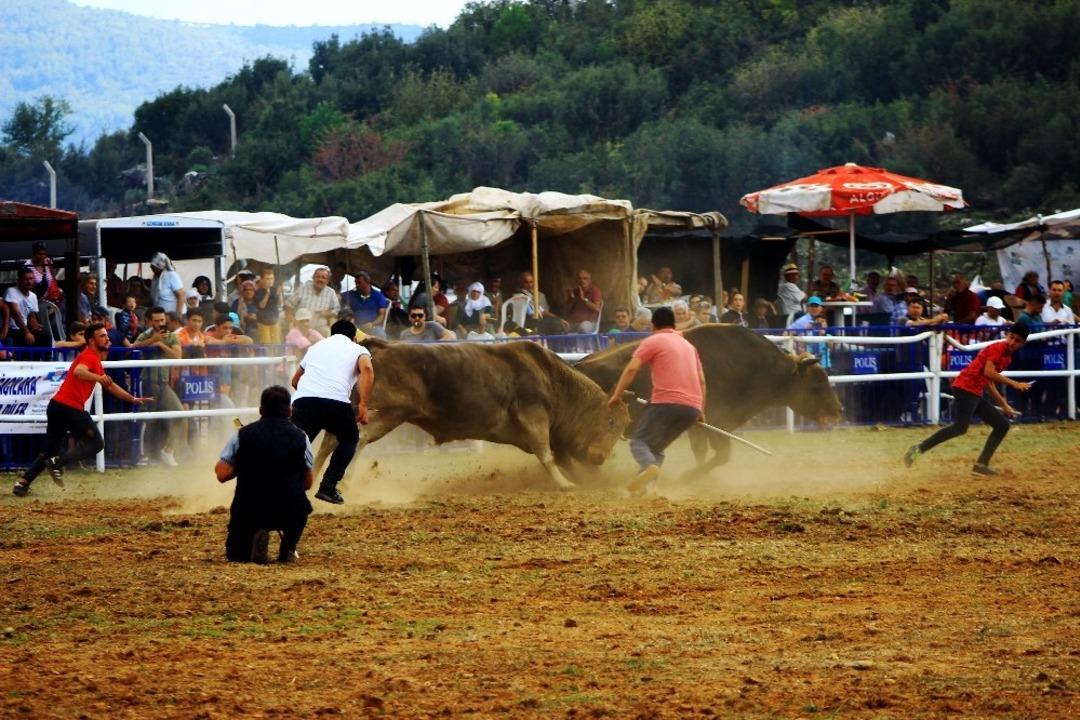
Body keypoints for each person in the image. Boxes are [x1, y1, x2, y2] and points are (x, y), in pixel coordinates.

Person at [13, 323, 151, 496]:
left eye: (106, 336)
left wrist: (131, 398)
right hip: (70, 408)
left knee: (50, 450)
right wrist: (98, 378)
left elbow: (110, 385)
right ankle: (58, 462)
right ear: (91, 341)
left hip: (56, 406)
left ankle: (23, 483)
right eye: (102, 336)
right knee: (96, 443)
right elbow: (79, 372)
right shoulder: (90, 356)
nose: (107, 338)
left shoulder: (93, 358)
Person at [904, 324, 1033, 476]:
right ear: (1007, 335)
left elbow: (988, 380)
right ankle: (919, 449)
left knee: (1001, 425)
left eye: (1017, 341)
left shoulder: (1006, 356)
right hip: (966, 388)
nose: (1012, 342)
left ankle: (980, 464)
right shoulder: (999, 349)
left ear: (1022, 344)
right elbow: (989, 373)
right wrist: (1015, 384)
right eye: (1011, 337)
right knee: (960, 427)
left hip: (972, 390)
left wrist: (1003, 405)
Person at [606, 306, 706, 495]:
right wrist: (700, 410)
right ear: (674, 325)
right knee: (657, 447)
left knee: (639, 442)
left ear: (653, 325)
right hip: (692, 408)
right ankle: (649, 488)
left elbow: (631, 369)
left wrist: (617, 395)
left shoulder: (653, 340)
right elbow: (701, 380)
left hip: (665, 402)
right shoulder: (690, 347)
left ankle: (650, 467)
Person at [215, 385, 314, 564]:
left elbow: (222, 474)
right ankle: (288, 549)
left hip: (249, 510)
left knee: (236, 557)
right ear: (290, 410)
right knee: (299, 507)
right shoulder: (302, 437)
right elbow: (308, 483)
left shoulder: (242, 435)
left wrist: (242, 463)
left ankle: (252, 541)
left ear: (261, 409)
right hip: (288, 510)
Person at [290, 319, 374, 505]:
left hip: (304, 402)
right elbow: (367, 368)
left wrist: (309, 394)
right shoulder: (358, 349)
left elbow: (295, 380)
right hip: (336, 402)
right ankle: (328, 486)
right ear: (353, 337)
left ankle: (283, 487)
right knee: (349, 438)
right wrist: (363, 405)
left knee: (297, 445)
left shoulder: (316, 347)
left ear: (331, 335)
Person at [133, 306, 184, 466]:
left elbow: (178, 356)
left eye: (162, 320)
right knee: (149, 418)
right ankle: (145, 455)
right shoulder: (144, 335)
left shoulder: (171, 337)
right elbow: (133, 347)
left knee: (179, 414)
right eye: (157, 320)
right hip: (147, 382)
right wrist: (153, 341)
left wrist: (161, 345)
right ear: (149, 321)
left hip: (163, 383)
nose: (160, 323)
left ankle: (168, 451)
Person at [288, 266, 340, 338]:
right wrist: (294, 321)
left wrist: (327, 313)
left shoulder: (330, 293)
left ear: (327, 281)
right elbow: (288, 305)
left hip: (320, 328)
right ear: (313, 278)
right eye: (318, 276)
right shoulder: (303, 289)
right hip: (301, 328)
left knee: (328, 332)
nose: (320, 279)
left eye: (323, 277)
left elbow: (336, 310)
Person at [5, 267, 48, 346]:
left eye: (31, 279)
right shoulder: (11, 291)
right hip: (10, 330)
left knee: (45, 338)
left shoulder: (33, 296)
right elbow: (16, 314)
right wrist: (27, 332)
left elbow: (31, 315)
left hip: (23, 330)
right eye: (25, 279)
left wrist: (35, 326)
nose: (29, 281)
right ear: (19, 281)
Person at [342, 270, 389, 336]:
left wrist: (372, 324)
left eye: (359, 282)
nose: (357, 285)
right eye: (356, 283)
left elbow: (382, 315)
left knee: (381, 334)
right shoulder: (351, 294)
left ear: (368, 282)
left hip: (373, 327)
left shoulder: (378, 295)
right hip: (355, 327)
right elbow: (339, 296)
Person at [24, 241, 65, 308]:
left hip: (49, 300)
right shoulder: (28, 266)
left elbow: (53, 278)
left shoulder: (47, 262)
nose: (42, 256)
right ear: (34, 253)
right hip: (35, 302)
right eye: (39, 254)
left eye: (44, 254)